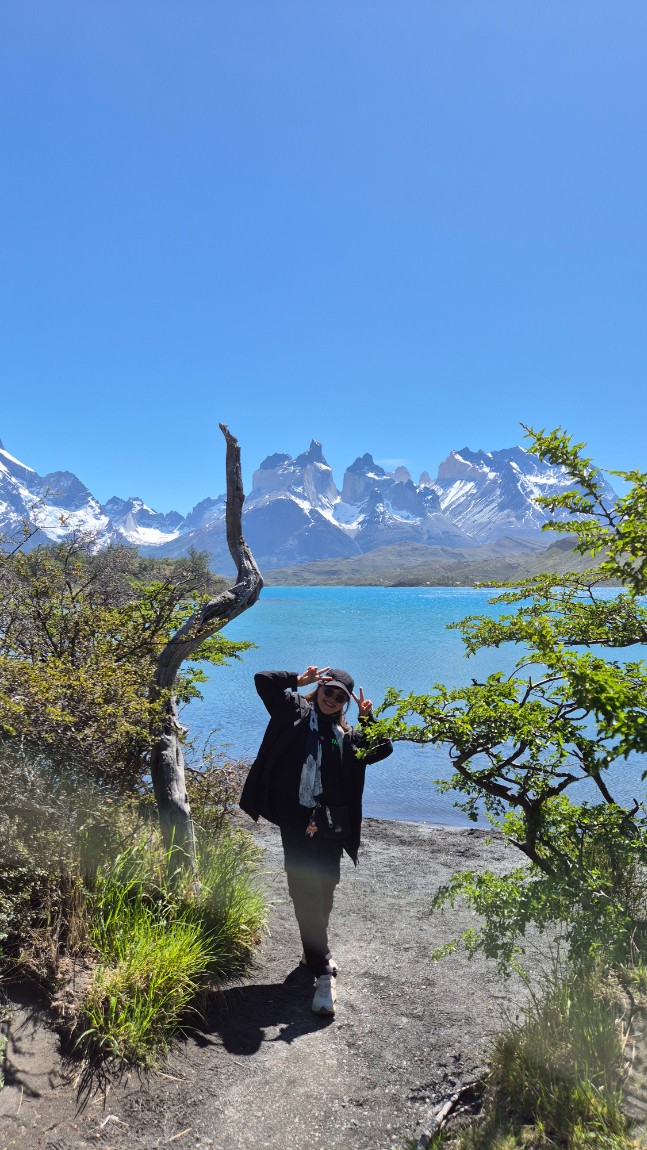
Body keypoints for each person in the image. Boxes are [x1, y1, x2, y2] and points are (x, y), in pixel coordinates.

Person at [240, 665, 393, 1016]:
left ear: (346, 702)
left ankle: (313, 949)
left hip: (332, 825)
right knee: (304, 889)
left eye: (340, 696)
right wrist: (299, 680)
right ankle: (323, 971)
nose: (332, 699)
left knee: (325, 889)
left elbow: (382, 750)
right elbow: (263, 681)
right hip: (296, 821)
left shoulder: (349, 737)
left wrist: (369, 720)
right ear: (320, 688)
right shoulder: (294, 711)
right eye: (328, 691)